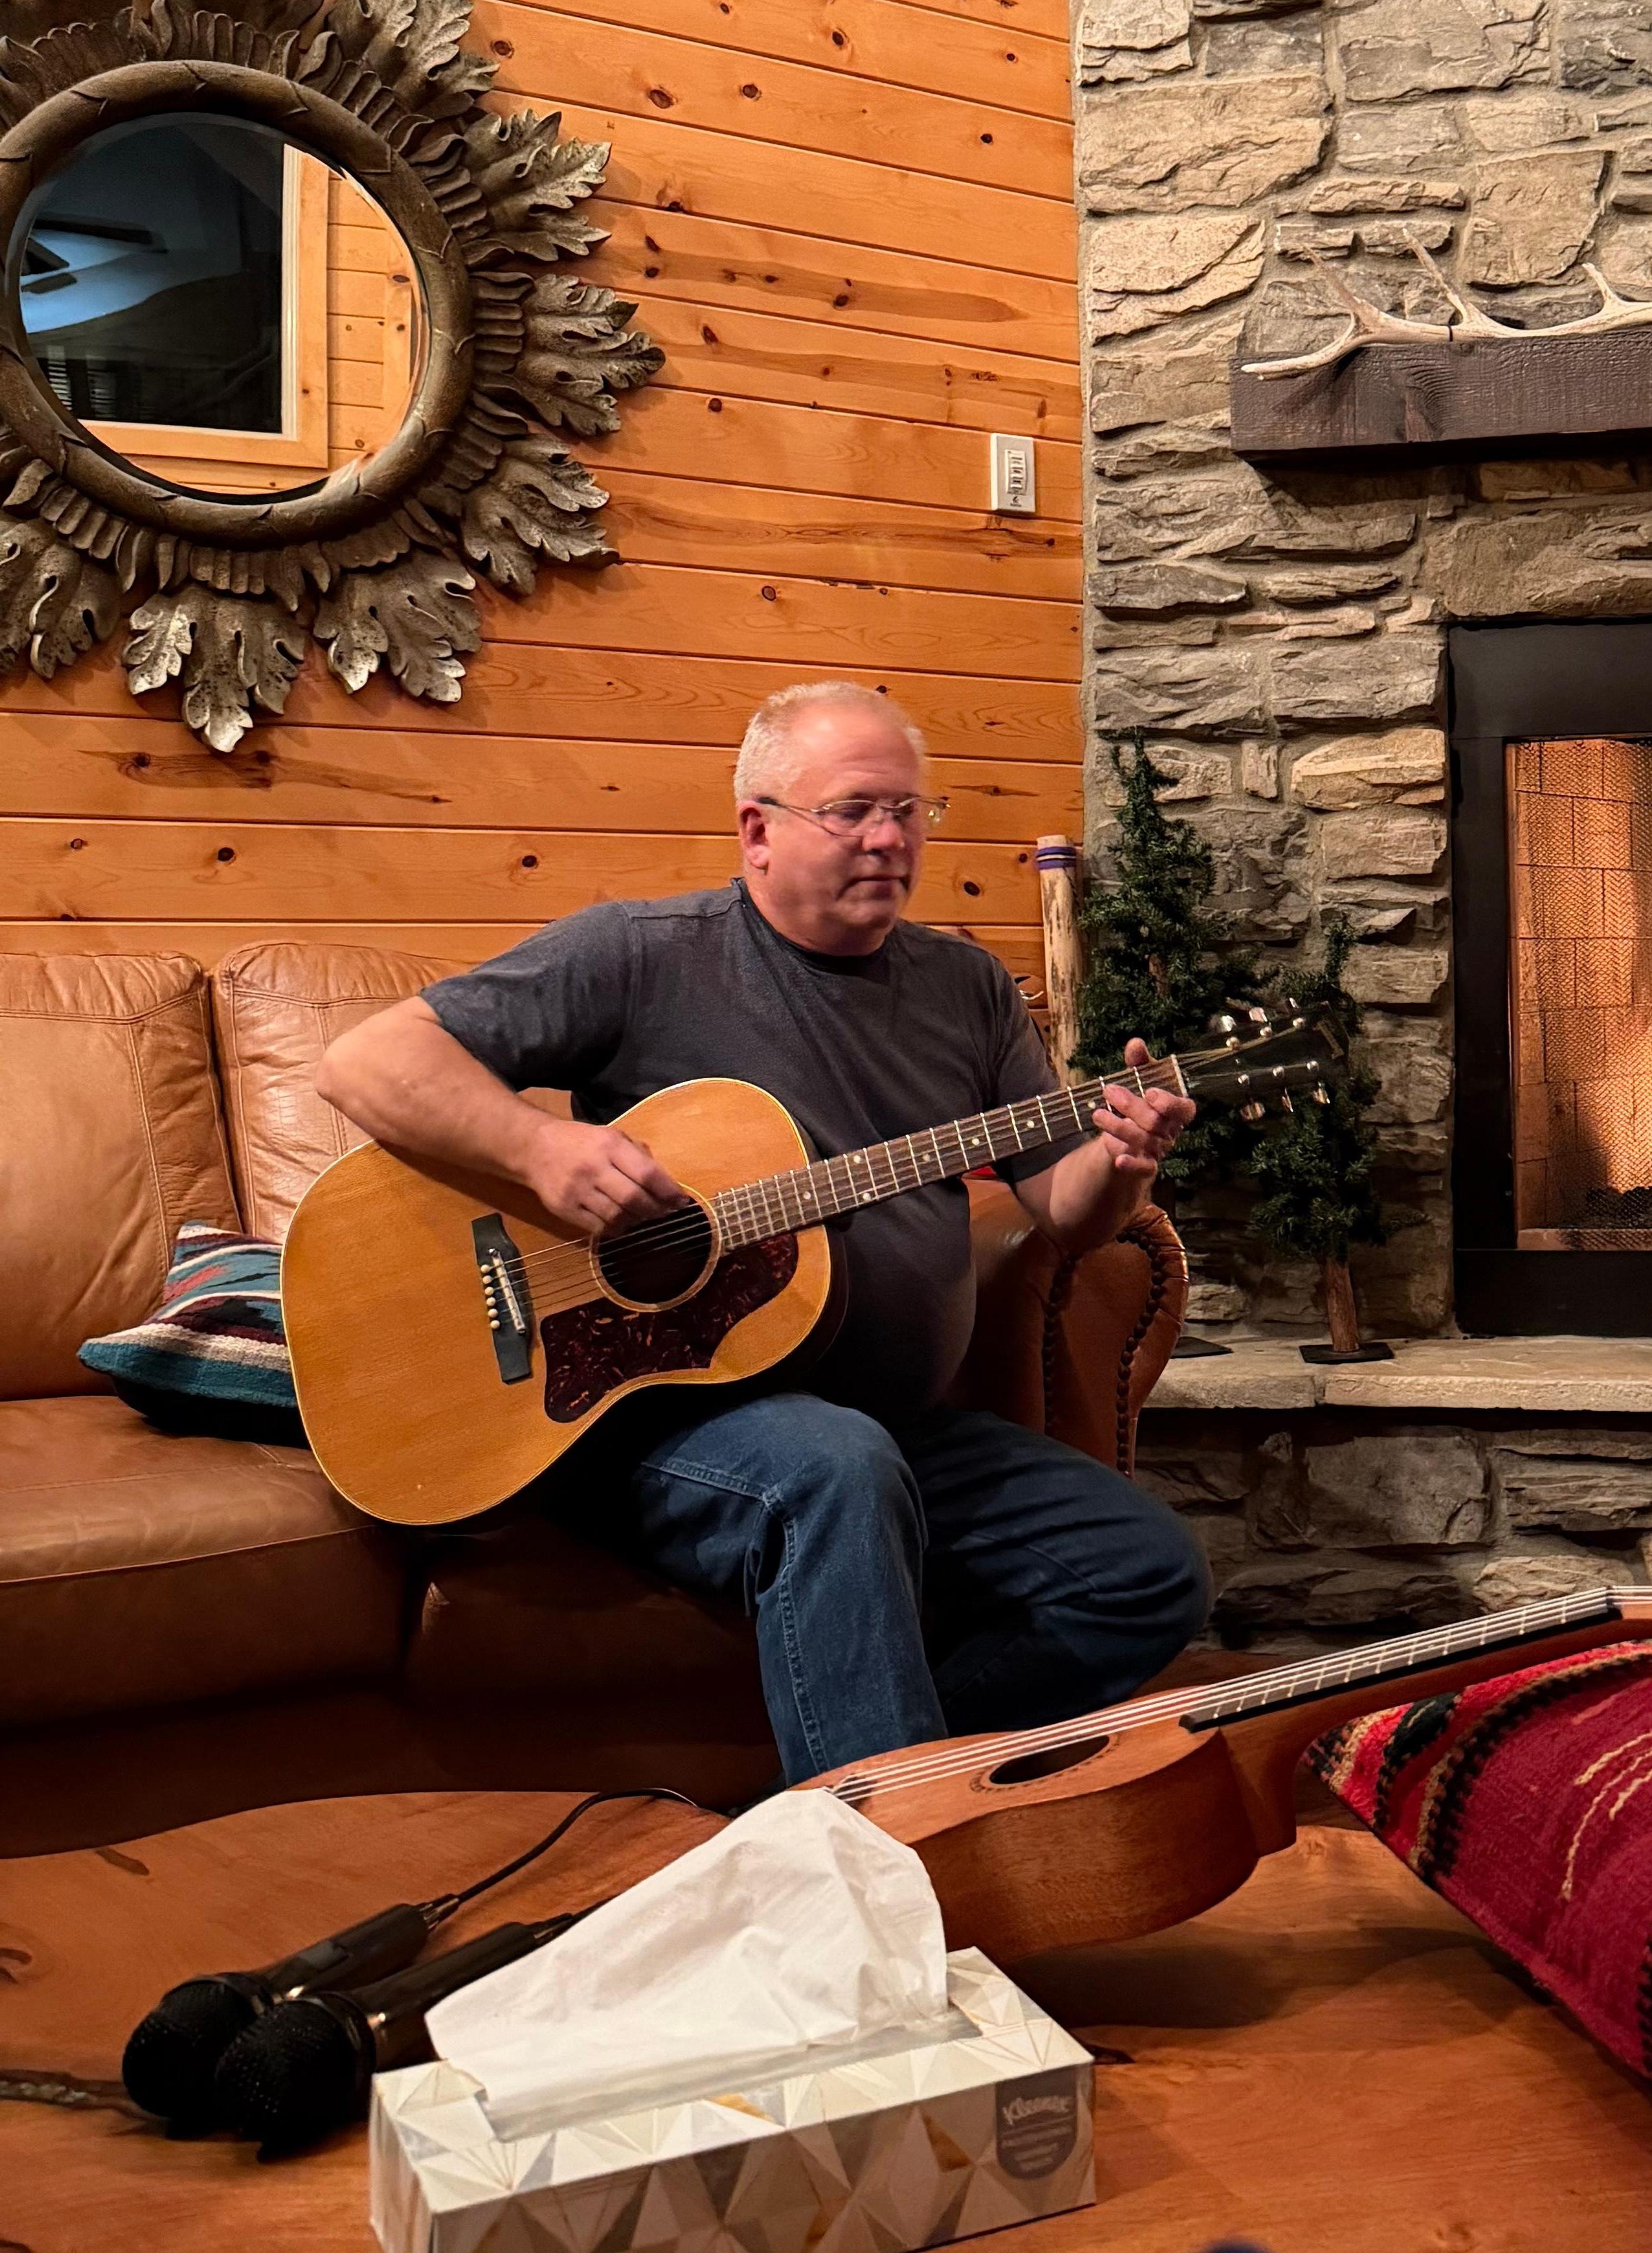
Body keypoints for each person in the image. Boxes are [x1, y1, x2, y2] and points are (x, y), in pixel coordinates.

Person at [315, 681, 1214, 1783]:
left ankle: (853, 1799)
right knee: (833, 1466)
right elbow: (364, 1063)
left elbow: (1063, 1219)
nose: (890, 838)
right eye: (854, 811)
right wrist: (543, 1153)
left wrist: (1122, 1162)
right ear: (759, 829)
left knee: (1143, 1569)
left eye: (911, 812)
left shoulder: (967, 988)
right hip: (652, 1415)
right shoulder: (641, 955)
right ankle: (899, 1871)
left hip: (893, 1424)